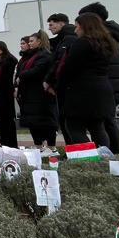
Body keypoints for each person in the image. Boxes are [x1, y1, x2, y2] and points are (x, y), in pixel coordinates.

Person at [49, 12, 117, 149]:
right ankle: (104, 155)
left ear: (85, 26)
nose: (75, 30)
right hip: (102, 88)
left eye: (77, 27)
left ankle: (88, 157)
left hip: (82, 91)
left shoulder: (82, 43)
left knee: (74, 127)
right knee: (97, 127)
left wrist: (59, 85)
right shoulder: (107, 43)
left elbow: (69, 67)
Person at [79, 2, 119, 153]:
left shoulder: (101, 36)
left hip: (105, 83)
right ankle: (113, 152)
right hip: (110, 83)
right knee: (107, 122)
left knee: (107, 122)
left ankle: (113, 153)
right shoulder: (109, 34)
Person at [15, 31, 59, 155]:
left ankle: (52, 148)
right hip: (30, 95)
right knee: (33, 123)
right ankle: (39, 147)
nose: (29, 43)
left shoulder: (45, 55)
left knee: (47, 122)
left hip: (41, 94)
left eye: (31, 41)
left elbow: (37, 70)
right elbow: (22, 70)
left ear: (39, 41)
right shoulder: (29, 56)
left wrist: (21, 75)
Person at [44, 13, 77, 145]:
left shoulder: (68, 39)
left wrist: (48, 80)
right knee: (64, 120)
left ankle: (76, 151)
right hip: (62, 84)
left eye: (51, 25)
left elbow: (59, 62)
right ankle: (71, 150)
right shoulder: (61, 39)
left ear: (61, 24)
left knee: (70, 122)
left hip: (67, 85)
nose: (49, 28)